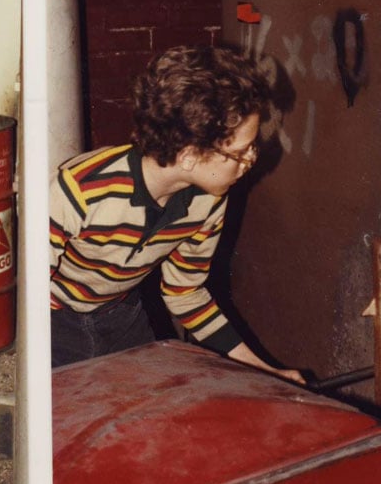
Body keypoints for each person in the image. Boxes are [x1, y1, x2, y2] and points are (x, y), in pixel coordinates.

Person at [49, 44, 304, 382]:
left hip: (123, 317)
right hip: (53, 325)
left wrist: (263, 369)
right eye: (241, 152)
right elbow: (25, 293)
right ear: (189, 156)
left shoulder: (208, 201)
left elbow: (185, 293)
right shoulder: (78, 190)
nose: (251, 162)